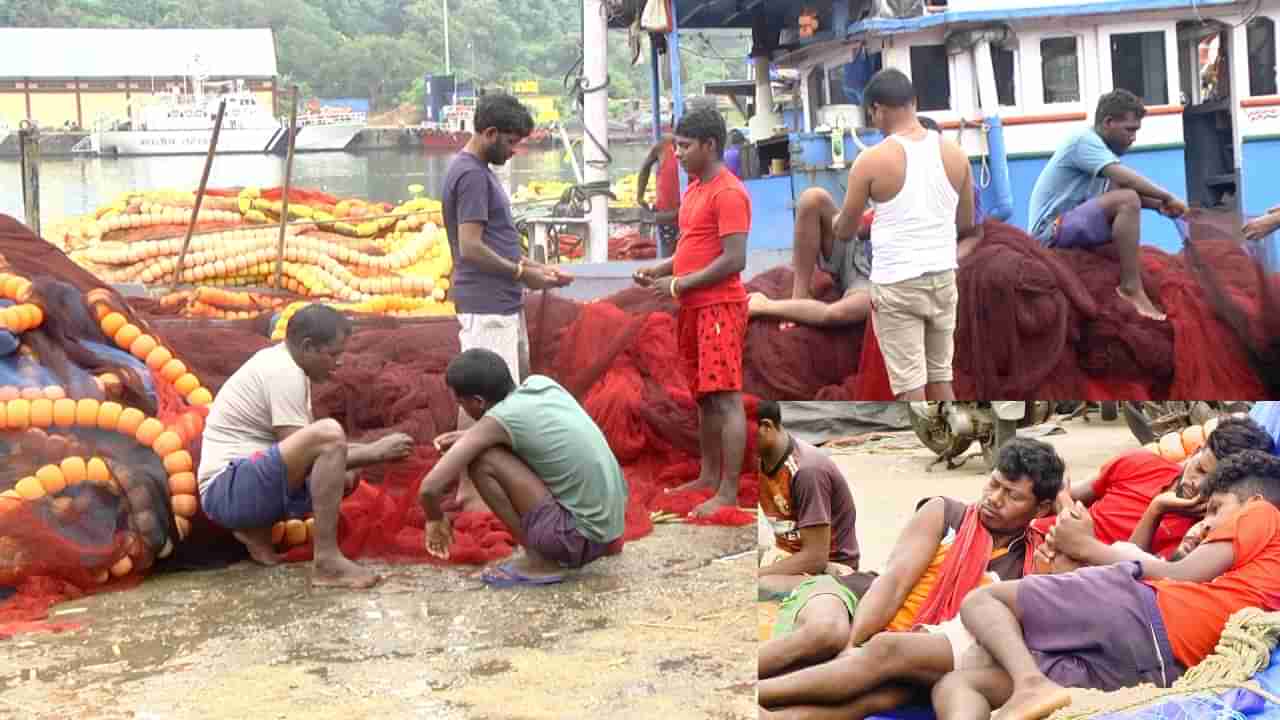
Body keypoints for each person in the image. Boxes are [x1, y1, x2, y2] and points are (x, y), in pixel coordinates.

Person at [932, 449, 1280, 720]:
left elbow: (1181, 574)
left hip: (1148, 613)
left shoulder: (1262, 514)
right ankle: (1031, 684)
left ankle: (1031, 685)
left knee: (983, 601)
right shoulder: (1254, 569)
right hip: (1157, 666)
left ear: (1253, 502)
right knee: (960, 683)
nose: (1205, 526)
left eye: (1215, 509)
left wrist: (1088, 548)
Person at [758, 438, 1064, 719]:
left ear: (1042, 507)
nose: (994, 499)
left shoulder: (1032, 561)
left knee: (884, 694)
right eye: (994, 484)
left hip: (915, 650)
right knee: (827, 633)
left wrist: (1063, 502)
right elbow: (893, 583)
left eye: (1012, 495)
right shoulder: (945, 513)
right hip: (857, 598)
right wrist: (853, 645)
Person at [197, 304, 414, 589]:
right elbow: (309, 449)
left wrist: (364, 455)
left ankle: (256, 532)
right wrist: (375, 452)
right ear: (308, 346)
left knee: (345, 473)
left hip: (237, 486)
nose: (338, 363)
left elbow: (307, 455)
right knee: (329, 434)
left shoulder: (287, 367)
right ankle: (327, 561)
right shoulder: (284, 372)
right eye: (334, 354)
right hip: (227, 489)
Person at [442, 92, 573, 514]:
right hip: (486, 304)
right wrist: (522, 274)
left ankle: (483, 480)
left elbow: (496, 240)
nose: (515, 151)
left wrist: (538, 268)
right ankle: (468, 486)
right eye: (511, 142)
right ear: (490, 132)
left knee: (501, 394)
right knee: (483, 398)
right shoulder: (473, 176)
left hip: (500, 301)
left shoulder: (475, 171)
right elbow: (471, 247)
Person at [747, 115, 983, 332]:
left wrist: (947, 261)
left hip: (879, 274)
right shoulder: (891, 171)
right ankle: (799, 297)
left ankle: (765, 306)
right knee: (812, 198)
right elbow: (853, 226)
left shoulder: (959, 182)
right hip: (855, 248)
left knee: (840, 313)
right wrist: (864, 217)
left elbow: (973, 232)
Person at [827, 68, 978, 401]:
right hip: (942, 278)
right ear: (914, 102)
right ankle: (951, 442)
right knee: (941, 379)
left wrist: (836, 220)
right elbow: (965, 223)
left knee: (911, 387)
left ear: (877, 109)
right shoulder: (956, 155)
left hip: (898, 283)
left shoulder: (870, 161)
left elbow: (846, 231)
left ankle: (926, 446)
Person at [419, 348, 628, 587]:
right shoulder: (541, 384)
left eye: (461, 403)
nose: (463, 408)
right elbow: (531, 430)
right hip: (611, 528)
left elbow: (429, 489)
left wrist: (434, 519)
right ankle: (592, 544)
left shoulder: (498, 422)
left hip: (577, 539)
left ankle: (539, 560)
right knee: (504, 450)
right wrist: (471, 435)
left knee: (482, 459)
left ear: (478, 401)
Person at [632, 104, 750, 518]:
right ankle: (708, 475)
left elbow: (734, 259)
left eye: (684, 146)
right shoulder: (696, 189)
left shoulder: (729, 192)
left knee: (726, 398)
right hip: (692, 307)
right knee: (704, 398)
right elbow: (691, 248)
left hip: (719, 308)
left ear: (709, 145)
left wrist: (680, 283)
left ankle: (728, 492)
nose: (676, 154)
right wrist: (661, 270)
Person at [1027, 89, 1189, 322]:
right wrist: (1168, 196)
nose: (1133, 138)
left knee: (1126, 197)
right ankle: (1131, 289)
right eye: (1129, 130)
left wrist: (1158, 206)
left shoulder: (1102, 156)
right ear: (1108, 122)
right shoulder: (1084, 141)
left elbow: (1117, 191)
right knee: (1127, 200)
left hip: (1071, 226)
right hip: (1048, 233)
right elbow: (1128, 183)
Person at [1032, 415, 1275, 559]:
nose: (1197, 484)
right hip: (1029, 541)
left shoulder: (1199, 536)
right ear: (1197, 451)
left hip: (1063, 574)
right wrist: (1065, 507)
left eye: (1213, 482)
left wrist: (1156, 509)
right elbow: (1063, 490)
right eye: (1199, 468)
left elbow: (1128, 571)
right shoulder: (1139, 463)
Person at [757, 400, 861, 598]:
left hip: (831, 570)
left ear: (766, 427)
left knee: (759, 585)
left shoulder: (807, 472)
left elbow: (815, 558)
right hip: (790, 556)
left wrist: (757, 574)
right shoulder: (761, 461)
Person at [636, 134, 681, 257]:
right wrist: (640, 196)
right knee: (668, 258)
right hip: (667, 218)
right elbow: (645, 167)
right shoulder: (664, 145)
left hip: (687, 217)